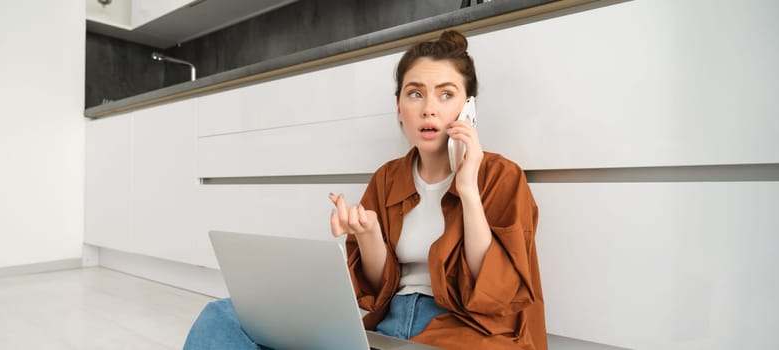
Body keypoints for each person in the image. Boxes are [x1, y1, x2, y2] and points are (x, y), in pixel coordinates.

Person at [183, 30, 546, 350]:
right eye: (415, 94)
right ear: (399, 107)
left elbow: (496, 293)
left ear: (469, 108)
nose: (429, 109)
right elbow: (375, 290)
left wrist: (467, 189)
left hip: (464, 331)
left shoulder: (500, 176)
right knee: (224, 316)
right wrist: (369, 234)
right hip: (386, 327)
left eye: (446, 94)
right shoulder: (388, 178)